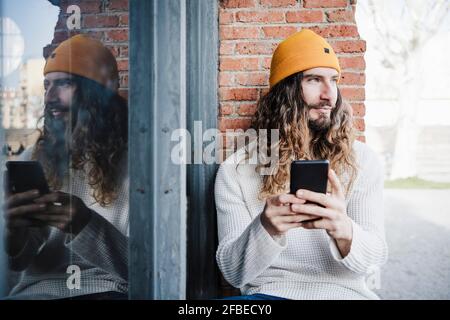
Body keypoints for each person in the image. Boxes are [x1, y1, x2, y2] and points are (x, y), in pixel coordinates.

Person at [215, 29, 388, 300]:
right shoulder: (236, 169)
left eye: (334, 80)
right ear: (286, 91)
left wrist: (342, 227)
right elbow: (232, 273)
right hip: (268, 296)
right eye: (314, 80)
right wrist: (266, 228)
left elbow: (373, 259)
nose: (329, 94)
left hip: (344, 294)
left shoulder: (362, 161)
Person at [3, 35, 128, 300]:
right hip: (33, 294)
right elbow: (17, 264)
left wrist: (86, 225)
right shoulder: (32, 157)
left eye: (64, 84)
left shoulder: (140, 164)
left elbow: (146, 268)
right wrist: (14, 232)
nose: (49, 97)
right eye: (47, 85)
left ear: (98, 92)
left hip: (107, 290)